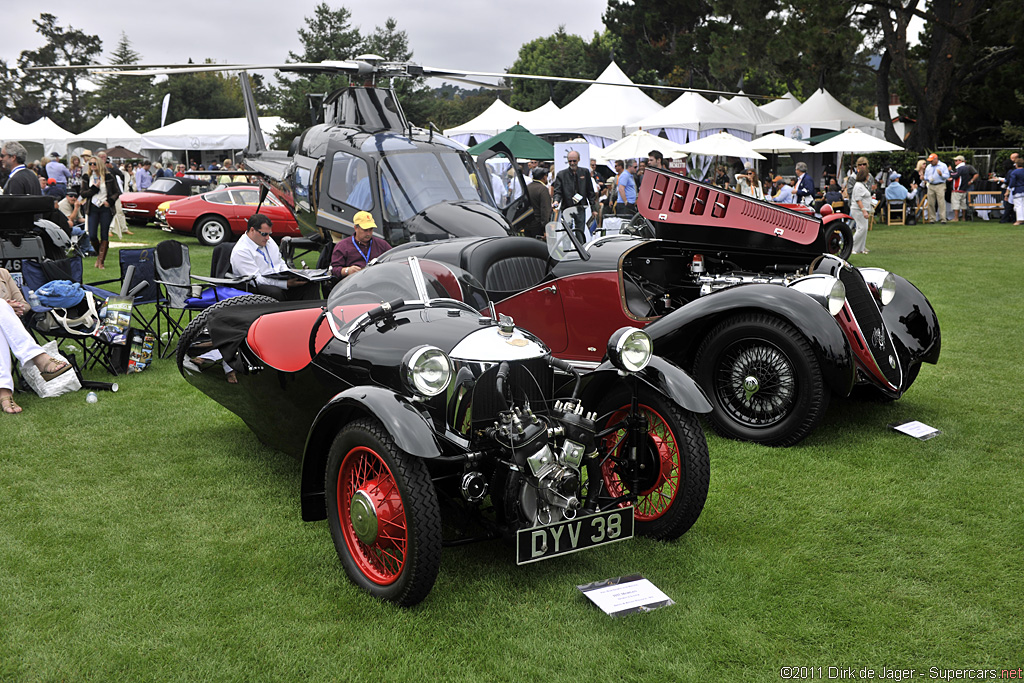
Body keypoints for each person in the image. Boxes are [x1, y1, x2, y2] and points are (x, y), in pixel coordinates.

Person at [0, 269, 72, 414]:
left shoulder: (3, 274)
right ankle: (39, 358)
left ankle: (4, 392)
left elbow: (24, 304)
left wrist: (12, 309)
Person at [231, 214, 318, 300]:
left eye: (269, 233)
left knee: (310, 283)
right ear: (252, 230)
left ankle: (313, 312)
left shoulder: (268, 240)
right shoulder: (241, 251)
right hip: (257, 287)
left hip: (278, 279)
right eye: (264, 234)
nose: (268, 238)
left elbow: (279, 261)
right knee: (275, 292)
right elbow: (257, 280)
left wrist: (290, 273)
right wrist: (285, 284)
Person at [79, 155, 121, 269]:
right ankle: (99, 255)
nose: (92, 166)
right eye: (90, 164)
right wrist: (94, 189)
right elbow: (83, 193)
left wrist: (110, 201)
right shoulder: (87, 177)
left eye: (94, 164)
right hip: (92, 208)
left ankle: (101, 261)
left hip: (105, 208)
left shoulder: (108, 176)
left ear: (100, 164)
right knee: (92, 235)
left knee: (104, 234)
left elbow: (117, 192)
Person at [330, 211, 393, 279]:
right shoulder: (342, 246)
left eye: (371, 230)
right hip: (353, 284)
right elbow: (334, 270)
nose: (368, 234)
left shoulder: (382, 244)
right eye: (365, 230)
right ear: (356, 228)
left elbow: (394, 258)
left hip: (378, 281)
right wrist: (347, 270)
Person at [552, 150, 597, 237]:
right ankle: (567, 249)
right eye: (570, 161)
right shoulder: (561, 174)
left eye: (574, 161)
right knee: (566, 232)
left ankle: (580, 248)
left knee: (580, 232)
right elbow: (558, 191)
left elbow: (590, 191)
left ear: (579, 160)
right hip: (567, 206)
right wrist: (556, 201)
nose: (572, 163)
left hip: (580, 206)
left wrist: (593, 209)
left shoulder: (585, 172)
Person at [523, 167, 552, 239]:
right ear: (544, 177)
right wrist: (545, 228)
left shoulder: (527, 187)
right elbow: (545, 210)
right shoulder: (543, 189)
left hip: (527, 224)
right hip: (538, 225)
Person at [949, 154, 978, 222]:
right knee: (963, 204)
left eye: (956, 160)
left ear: (960, 161)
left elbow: (955, 175)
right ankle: (963, 218)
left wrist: (950, 171)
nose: (955, 162)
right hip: (964, 189)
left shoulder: (960, 168)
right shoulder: (966, 168)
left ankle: (956, 218)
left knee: (956, 203)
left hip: (957, 189)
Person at [923, 153, 951, 223]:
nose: (930, 162)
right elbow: (926, 176)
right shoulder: (928, 167)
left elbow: (947, 176)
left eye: (932, 161)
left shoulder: (943, 165)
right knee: (931, 202)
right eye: (929, 161)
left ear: (936, 159)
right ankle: (932, 219)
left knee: (941, 202)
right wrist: (925, 179)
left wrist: (941, 174)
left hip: (940, 185)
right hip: (931, 185)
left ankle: (943, 219)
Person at [850, 168, 872, 254]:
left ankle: (860, 248)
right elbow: (858, 200)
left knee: (864, 229)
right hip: (858, 210)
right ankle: (851, 246)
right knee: (861, 228)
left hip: (863, 209)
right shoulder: (858, 186)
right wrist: (864, 211)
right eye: (867, 175)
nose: (869, 177)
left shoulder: (862, 185)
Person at [1005, 157, 1024, 225]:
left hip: (1018, 190)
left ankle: (1019, 220)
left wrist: (1007, 191)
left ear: (1016, 164)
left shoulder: (1014, 172)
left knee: (1018, 205)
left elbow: (1012, 183)